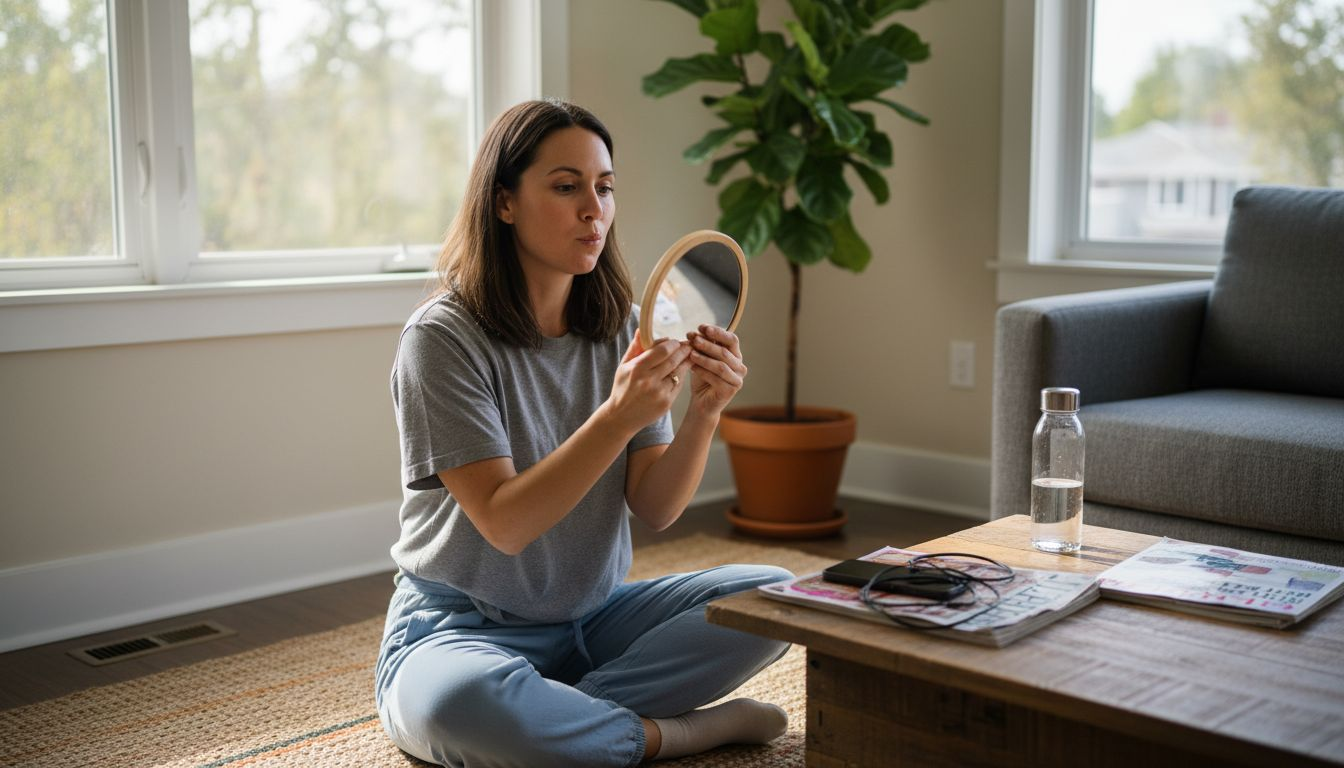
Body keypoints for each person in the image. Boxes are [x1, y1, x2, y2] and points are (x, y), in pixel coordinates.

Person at [374, 98, 793, 767]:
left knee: (775, 595)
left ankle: (562, 717)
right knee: (461, 706)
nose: (592, 208)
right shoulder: (442, 339)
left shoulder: (625, 329)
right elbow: (506, 524)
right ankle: (669, 733)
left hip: (590, 623)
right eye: (566, 187)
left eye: (604, 188)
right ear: (504, 202)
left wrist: (705, 411)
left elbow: (655, 506)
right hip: (458, 630)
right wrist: (616, 417)